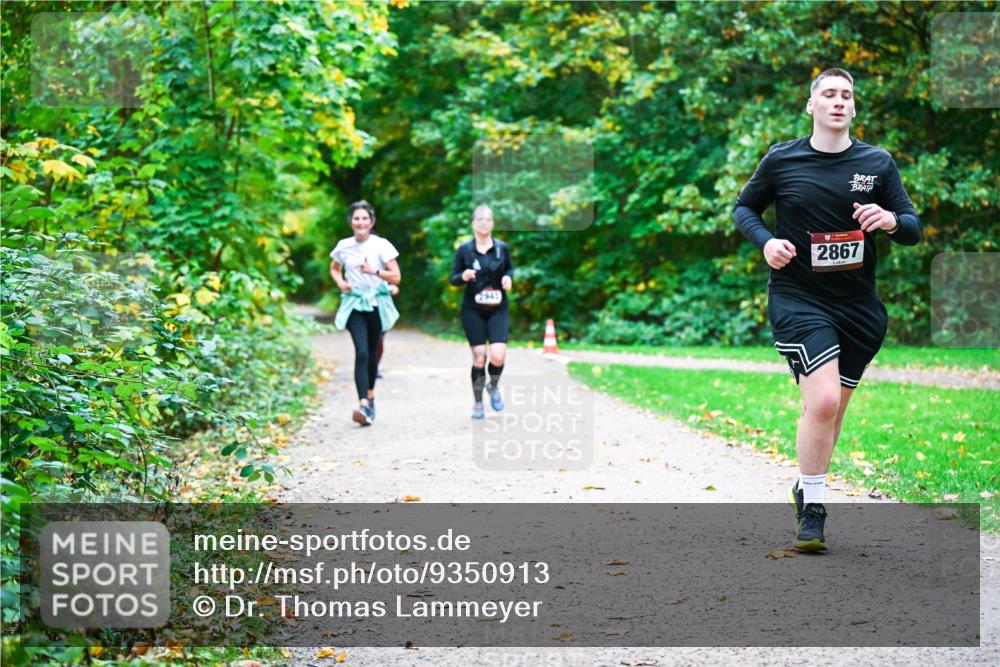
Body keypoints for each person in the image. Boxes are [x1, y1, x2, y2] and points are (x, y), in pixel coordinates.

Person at [733, 68, 920, 551]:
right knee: (822, 402)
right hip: (799, 297)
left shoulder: (877, 163)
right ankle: (813, 510)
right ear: (811, 105)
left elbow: (913, 226)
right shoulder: (782, 159)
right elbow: (744, 209)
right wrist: (766, 241)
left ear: (854, 108)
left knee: (831, 416)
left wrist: (891, 219)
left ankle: (805, 482)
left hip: (859, 308)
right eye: (829, 94)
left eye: (847, 95)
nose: (838, 102)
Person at [330, 200, 401, 426]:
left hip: (377, 303)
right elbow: (334, 267)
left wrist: (375, 271)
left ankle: (369, 398)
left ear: (371, 222)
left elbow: (397, 277)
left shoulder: (382, 245)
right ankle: (362, 402)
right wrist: (341, 282)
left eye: (364, 218)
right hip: (354, 303)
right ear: (351, 222)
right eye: (356, 218)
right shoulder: (343, 246)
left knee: (372, 353)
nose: (360, 222)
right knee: (361, 352)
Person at [449, 205, 514, 419]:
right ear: (473, 223)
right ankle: (478, 403)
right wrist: (463, 276)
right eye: (480, 219)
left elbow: (510, 268)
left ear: (493, 223)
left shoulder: (502, 248)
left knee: (497, 355)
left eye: (488, 219)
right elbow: (453, 278)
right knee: (479, 357)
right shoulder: (464, 250)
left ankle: (493, 386)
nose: (484, 222)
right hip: (473, 310)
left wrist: (508, 278)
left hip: (498, 309)